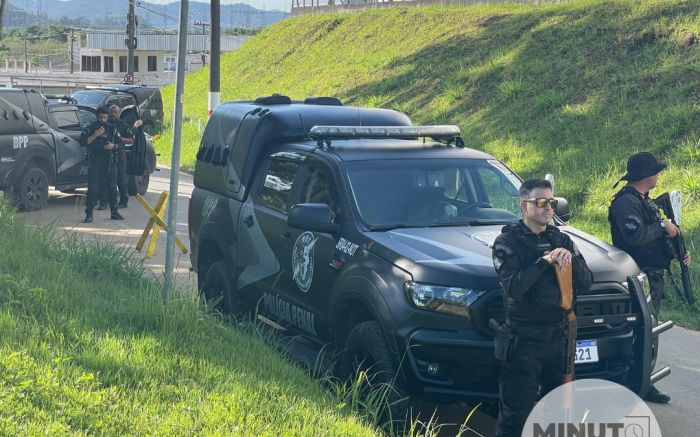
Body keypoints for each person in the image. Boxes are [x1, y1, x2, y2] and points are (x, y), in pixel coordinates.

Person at [492, 178, 593, 437]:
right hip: (523, 341)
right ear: (524, 206)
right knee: (516, 415)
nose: (548, 208)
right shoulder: (507, 242)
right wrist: (543, 262)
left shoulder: (561, 239)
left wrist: (571, 262)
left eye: (551, 202)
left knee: (558, 413)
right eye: (540, 202)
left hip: (558, 338)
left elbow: (587, 282)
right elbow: (514, 287)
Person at [608, 151, 691, 404]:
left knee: (648, 333)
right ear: (646, 176)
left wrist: (678, 251)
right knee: (641, 333)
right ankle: (636, 384)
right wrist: (662, 227)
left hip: (651, 273)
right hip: (637, 277)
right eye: (655, 171)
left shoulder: (644, 200)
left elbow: (657, 235)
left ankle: (642, 381)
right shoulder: (626, 203)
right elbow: (636, 236)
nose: (658, 175)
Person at [79, 106, 124, 223]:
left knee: (112, 188)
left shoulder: (112, 128)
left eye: (105, 117)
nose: (103, 120)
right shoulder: (91, 128)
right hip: (95, 161)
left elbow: (121, 144)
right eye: (101, 117)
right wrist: (96, 134)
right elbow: (83, 142)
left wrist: (113, 146)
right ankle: (89, 213)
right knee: (93, 188)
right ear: (97, 117)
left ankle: (114, 211)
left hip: (110, 161)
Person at [107, 104, 143, 209]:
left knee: (121, 179)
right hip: (107, 155)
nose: (112, 114)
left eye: (115, 112)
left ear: (118, 114)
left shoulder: (122, 124)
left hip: (119, 154)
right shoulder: (106, 123)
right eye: (111, 112)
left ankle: (123, 201)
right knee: (107, 179)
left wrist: (120, 139)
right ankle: (105, 201)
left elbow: (131, 139)